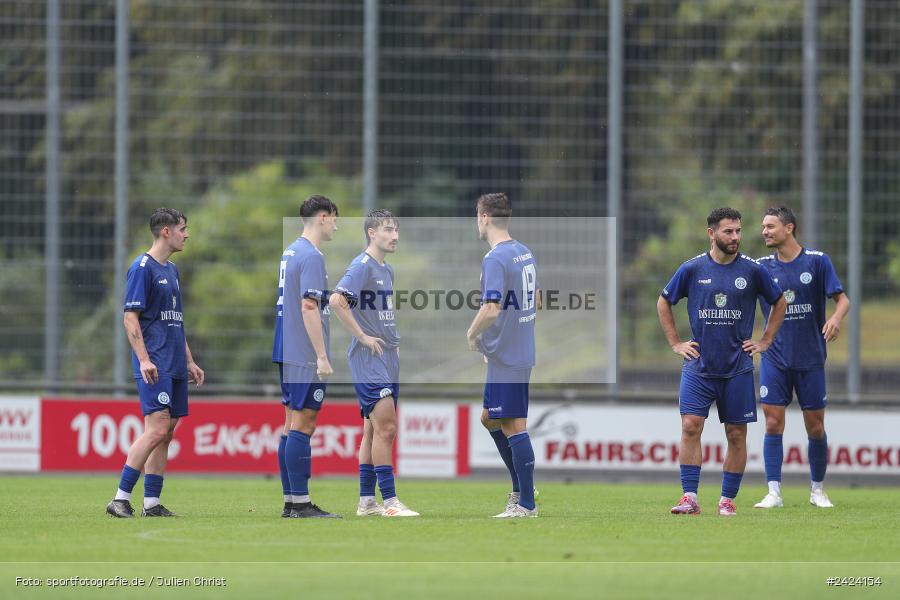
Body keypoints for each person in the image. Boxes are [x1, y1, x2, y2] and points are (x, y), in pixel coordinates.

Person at [657, 207, 786, 517]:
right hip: (698, 366)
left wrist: (765, 340)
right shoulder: (691, 269)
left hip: (737, 368)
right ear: (712, 234)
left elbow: (779, 302)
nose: (736, 237)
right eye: (729, 231)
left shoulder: (753, 270)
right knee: (690, 427)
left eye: (739, 231)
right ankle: (689, 497)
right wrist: (676, 343)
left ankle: (727, 499)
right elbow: (664, 301)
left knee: (737, 435)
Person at [106, 208, 205, 518]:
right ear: (166, 232)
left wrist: (189, 360)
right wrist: (144, 359)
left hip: (174, 363)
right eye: (183, 229)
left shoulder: (171, 270)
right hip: (155, 363)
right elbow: (129, 317)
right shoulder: (142, 268)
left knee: (168, 430)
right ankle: (120, 498)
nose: (186, 234)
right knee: (157, 428)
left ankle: (151, 503)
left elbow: (175, 321)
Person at [754, 206, 850, 510]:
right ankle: (774, 492)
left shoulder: (818, 262)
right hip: (775, 358)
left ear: (789, 228)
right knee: (772, 423)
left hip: (810, 358)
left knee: (816, 427)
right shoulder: (760, 267)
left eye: (770, 226)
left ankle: (817, 490)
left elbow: (843, 299)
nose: (765, 231)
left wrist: (835, 318)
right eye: (763, 227)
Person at [329, 209, 419, 517]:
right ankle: (391, 503)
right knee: (387, 428)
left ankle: (367, 502)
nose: (395, 235)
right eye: (388, 230)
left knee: (371, 431)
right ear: (372, 233)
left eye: (396, 230)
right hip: (369, 360)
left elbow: (382, 315)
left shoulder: (387, 270)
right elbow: (336, 300)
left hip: (387, 357)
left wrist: (393, 344)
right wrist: (363, 337)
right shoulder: (363, 265)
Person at [466, 192, 540, 518]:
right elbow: (535, 300)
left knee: (513, 425)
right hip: (514, 351)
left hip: (509, 357)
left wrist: (473, 334)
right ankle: (520, 489)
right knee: (489, 418)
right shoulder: (523, 252)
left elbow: (492, 308)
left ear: (483, 217)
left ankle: (526, 503)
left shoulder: (495, 258)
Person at [273, 195, 341, 519]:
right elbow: (308, 306)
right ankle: (300, 503)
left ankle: (291, 501)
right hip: (303, 352)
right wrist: (322, 356)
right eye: (335, 220)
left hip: (286, 348)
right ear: (324, 217)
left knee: (290, 423)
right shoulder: (312, 256)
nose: (337, 227)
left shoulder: (290, 252)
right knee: (304, 422)